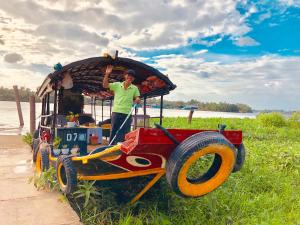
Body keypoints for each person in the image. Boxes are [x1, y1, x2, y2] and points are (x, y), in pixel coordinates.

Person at [103, 65, 141, 144]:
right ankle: (110, 147)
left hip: (127, 113)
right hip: (116, 112)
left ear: (133, 79)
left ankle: (123, 149)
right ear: (125, 76)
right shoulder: (117, 85)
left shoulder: (135, 88)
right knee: (113, 131)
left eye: (132, 76)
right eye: (128, 75)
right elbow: (105, 85)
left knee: (126, 133)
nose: (130, 77)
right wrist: (107, 74)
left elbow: (138, 97)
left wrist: (137, 99)